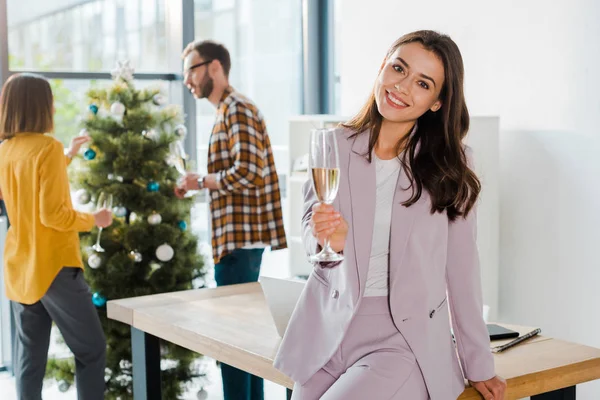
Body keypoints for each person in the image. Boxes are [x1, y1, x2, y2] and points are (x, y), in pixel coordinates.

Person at [274, 30, 507, 400]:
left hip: (401, 340)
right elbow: (310, 228)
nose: (402, 86)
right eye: (399, 68)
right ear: (383, 66)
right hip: (328, 330)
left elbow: (462, 270)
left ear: (436, 102)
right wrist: (325, 239)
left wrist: (478, 364)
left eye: (422, 83)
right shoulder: (333, 144)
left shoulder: (450, 165)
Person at [175, 40, 287, 400]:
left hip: (239, 244)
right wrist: (201, 183)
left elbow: (249, 172)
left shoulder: (236, 109)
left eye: (192, 70)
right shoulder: (228, 109)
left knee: (233, 344)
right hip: (238, 241)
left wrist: (203, 181)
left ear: (215, 67)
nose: (187, 80)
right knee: (243, 344)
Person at [0, 73, 112, 400]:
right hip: (54, 267)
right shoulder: (48, 147)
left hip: (21, 266)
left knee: (29, 360)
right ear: (40, 105)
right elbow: (53, 215)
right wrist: (95, 219)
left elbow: (24, 187)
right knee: (92, 350)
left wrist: (69, 156)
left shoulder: (5, 150)